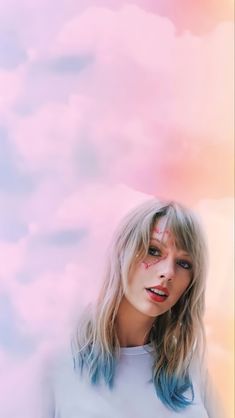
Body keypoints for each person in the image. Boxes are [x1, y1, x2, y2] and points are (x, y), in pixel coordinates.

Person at [40, 198, 225, 418]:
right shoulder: (56, 364)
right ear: (122, 252)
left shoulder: (194, 369)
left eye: (184, 264)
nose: (168, 272)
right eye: (154, 251)